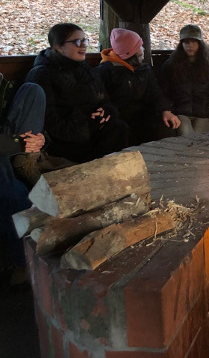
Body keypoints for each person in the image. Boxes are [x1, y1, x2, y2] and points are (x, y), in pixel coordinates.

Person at [25, 23, 129, 163]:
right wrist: (87, 127)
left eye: (85, 40)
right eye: (77, 41)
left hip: (92, 131)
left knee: (119, 128)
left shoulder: (86, 69)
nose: (83, 45)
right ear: (58, 46)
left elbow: (106, 101)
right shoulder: (42, 75)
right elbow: (49, 122)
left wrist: (106, 113)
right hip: (65, 140)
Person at [98, 28, 180, 145]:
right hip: (119, 118)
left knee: (166, 123)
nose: (143, 49)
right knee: (121, 131)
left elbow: (155, 92)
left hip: (143, 115)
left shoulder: (143, 70)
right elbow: (103, 100)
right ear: (130, 53)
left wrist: (165, 110)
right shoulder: (106, 71)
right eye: (139, 48)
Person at [0, 81, 45, 285]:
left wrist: (41, 139)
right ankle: (23, 263)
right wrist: (17, 143)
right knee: (14, 193)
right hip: (6, 150)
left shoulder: (4, 84)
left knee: (32, 90)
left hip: (9, 143)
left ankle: (25, 160)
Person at [160, 25, 209, 134]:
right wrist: (170, 109)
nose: (190, 46)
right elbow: (163, 91)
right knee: (186, 135)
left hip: (204, 114)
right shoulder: (171, 65)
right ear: (181, 44)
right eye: (186, 42)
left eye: (194, 42)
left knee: (200, 139)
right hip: (180, 113)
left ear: (200, 43)